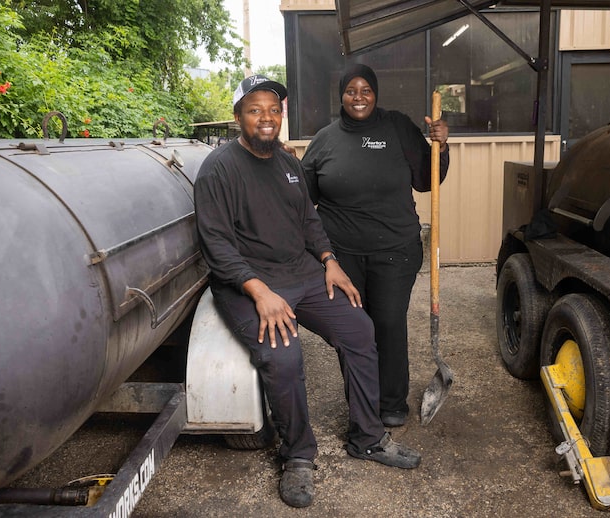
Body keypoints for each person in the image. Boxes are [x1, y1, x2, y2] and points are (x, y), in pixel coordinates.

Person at [193, 75, 422, 509]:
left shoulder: (286, 164)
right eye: (255, 109)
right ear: (239, 115)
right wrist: (259, 291)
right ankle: (297, 454)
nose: (266, 117)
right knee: (283, 353)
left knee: (359, 329)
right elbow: (216, 244)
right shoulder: (219, 169)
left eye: (274, 109)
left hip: (301, 274)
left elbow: (309, 222)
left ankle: (367, 437)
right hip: (247, 283)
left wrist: (329, 262)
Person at [301, 64, 450, 427]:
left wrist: (441, 146)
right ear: (341, 95)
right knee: (353, 328)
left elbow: (428, 180)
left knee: (386, 322)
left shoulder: (396, 127)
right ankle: (361, 403)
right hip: (342, 254)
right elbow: (303, 199)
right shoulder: (324, 140)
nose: (358, 96)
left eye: (366, 89)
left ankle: (392, 401)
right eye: (351, 90)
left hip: (395, 250)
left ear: (376, 93)